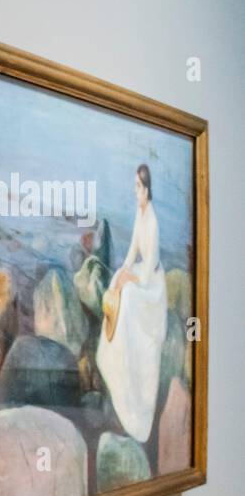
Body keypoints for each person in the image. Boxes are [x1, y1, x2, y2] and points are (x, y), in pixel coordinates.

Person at [96, 164, 168, 444]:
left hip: (152, 286)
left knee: (128, 298)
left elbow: (149, 267)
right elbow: (132, 252)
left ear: (147, 190)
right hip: (141, 274)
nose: (134, 191)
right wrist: (122, 273)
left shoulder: (152, 220)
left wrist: (132, 277)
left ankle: (129, 380)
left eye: (138, 187)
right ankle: (112, 359)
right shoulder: (140, 216)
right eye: (135, 186)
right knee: (117, 283)